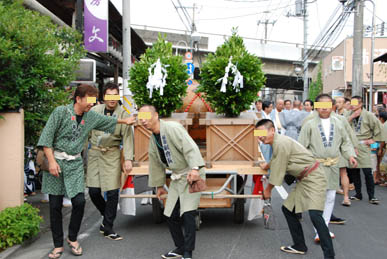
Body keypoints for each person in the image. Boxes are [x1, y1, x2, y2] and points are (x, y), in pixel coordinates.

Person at [37, 84, 135, 259]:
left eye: (94, 99)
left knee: (80, 201)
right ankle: (57, 245)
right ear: (78, 99)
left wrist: (126, 121)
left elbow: (108, 121)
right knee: (54, 206)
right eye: (89, 100)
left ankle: (72, 238)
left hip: (74, 163)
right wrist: (51, 162)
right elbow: (46, 138)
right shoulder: (60, 112)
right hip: (56, 163)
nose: (92, 103)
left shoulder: (90, 116)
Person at [257, 119, 335, 259]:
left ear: (272, 130)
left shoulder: (280, 143)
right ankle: (299, 246)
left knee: (315, 215)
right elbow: (276, 159)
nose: (260, 137)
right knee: (288, 209)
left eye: (262, 133)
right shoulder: (278, 142)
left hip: (314, 177)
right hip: (304, 179)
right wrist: (266, 166)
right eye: (258, 134)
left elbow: (278, 171)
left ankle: (329, 255)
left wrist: (268, 190)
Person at [138, 104, 205, 259]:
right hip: (177, 177)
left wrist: (195, 169)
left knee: (188, 213)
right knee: (170, 214)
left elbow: (190, 147)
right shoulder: (153, 138)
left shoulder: (172, 128)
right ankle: (180, 247)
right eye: (140, 118)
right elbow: (155, 163)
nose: (143, 121)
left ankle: (188, 252)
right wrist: (159, 186)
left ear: (155, 116)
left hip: (191, 174)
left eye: (146, 117)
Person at [298, 94, 357, 243]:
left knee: (330, 197)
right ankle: (320, 230)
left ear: (332, 106)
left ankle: (323, 227)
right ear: (316, 106)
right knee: (318, 198)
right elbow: (301, 146)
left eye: (327, 105)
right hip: (315, 167)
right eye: (320, 105)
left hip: (333, 166)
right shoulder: (309, 124)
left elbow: (346, 142)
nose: (324, 108)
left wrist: (350, 156)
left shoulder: (339, 123)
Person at [86, 83, 134, 241]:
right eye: (109, 96)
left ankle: (108, 227)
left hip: (112, 154)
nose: (112, 100)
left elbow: (127, 138)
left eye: (115, 96)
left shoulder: (123, 114)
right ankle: (106, 213)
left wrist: (128, 159)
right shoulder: (94, 111)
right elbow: (85, 132)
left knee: (113, 192)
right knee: (93, 190)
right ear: (104, 97)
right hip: (94, 153)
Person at [345, 96, 384, 204]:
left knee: (368, 172)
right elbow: (341, 127)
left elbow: (379, 128)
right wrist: (351, 117)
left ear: (361, 104)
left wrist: (374, 140)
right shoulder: (348, 114)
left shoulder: (368, 115)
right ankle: (358, 194)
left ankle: (372, 196)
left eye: (355, 103)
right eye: (351, 103)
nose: (352, 105)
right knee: (354, 171)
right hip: (352, 146)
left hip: (364, 145)